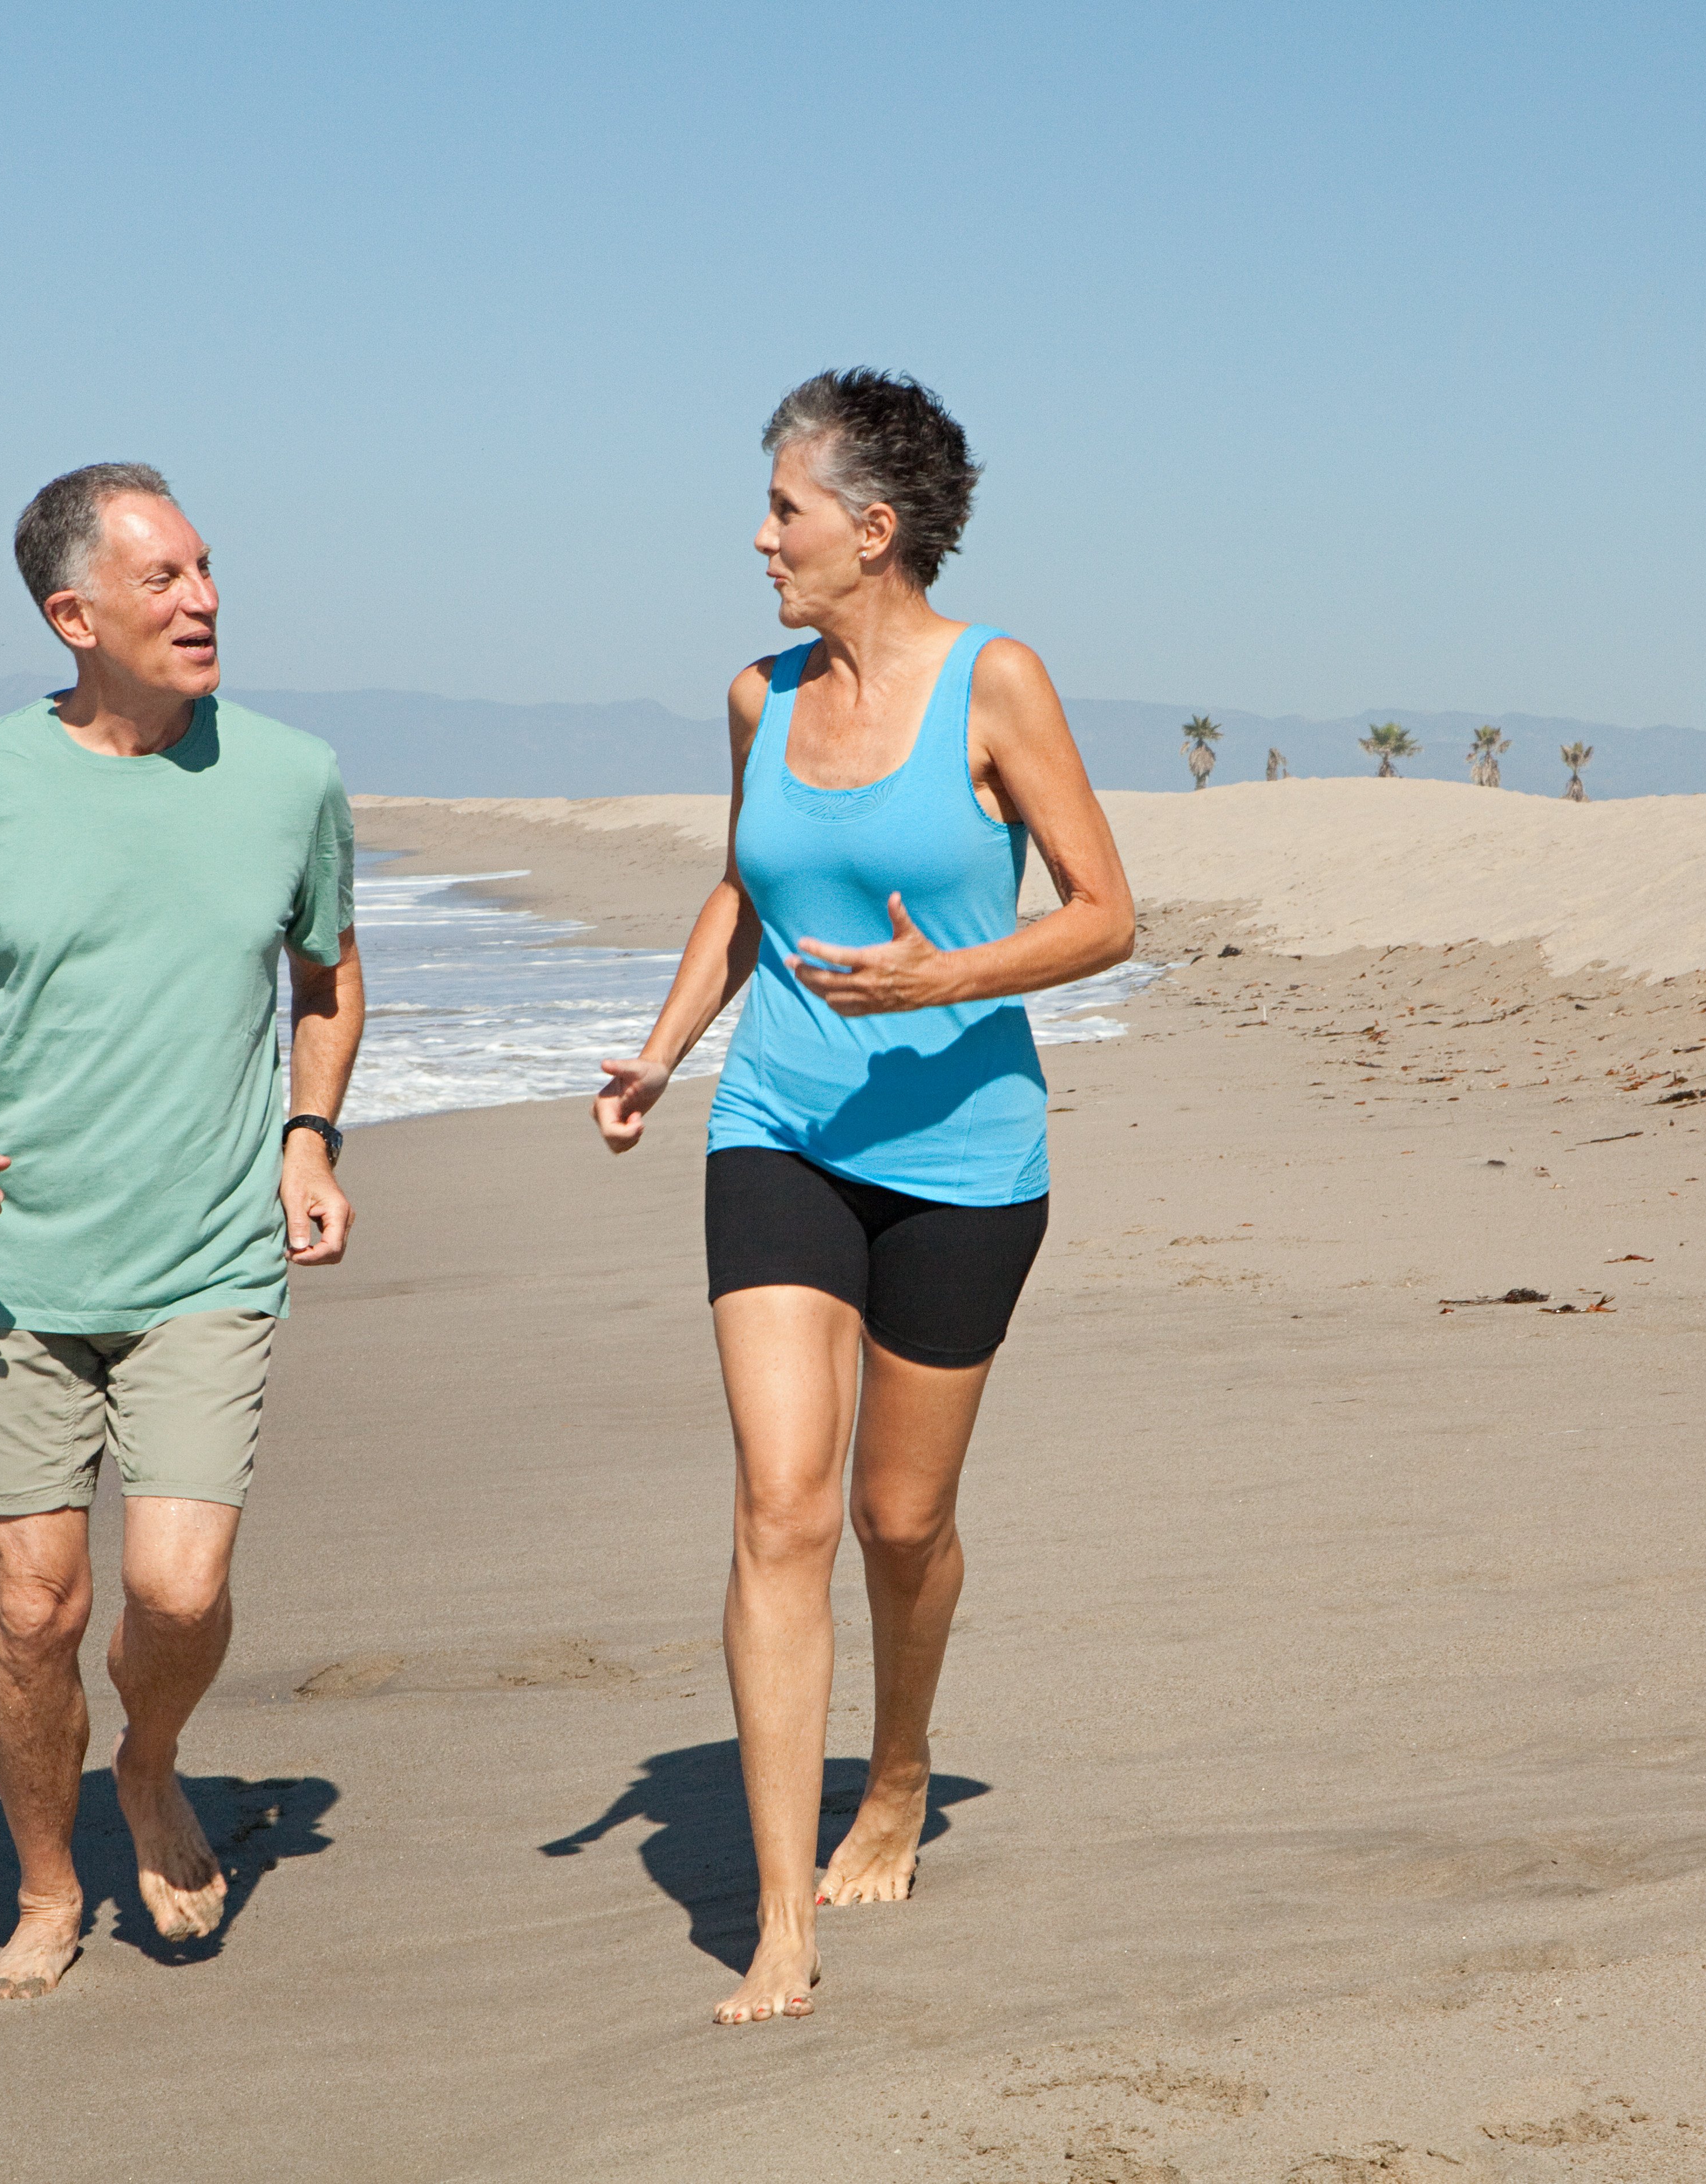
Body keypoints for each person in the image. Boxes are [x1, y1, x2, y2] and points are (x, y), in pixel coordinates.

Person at [593, 372, 1135, 2025]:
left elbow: (1106, 914)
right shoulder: (759, 698)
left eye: (784, 510)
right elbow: (738, 892)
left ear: (871, 529)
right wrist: (660, 1053)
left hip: (964, 1158)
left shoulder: (997, 682)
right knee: (781, 1504)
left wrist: (947, 977)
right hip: (778, 1128)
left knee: (899, 1525)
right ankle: (777, 1921)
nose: (760, 539)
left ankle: (895, 1774)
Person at [0, 462, 362, 2001]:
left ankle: (152, 1764)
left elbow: (325, 978)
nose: (200, 602)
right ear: (74, 616)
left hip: (207, 1254)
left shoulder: (290, 777)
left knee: (178, 1594)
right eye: (161, 582)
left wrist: (308, 1139)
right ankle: (51, 1888)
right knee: (33, 1607)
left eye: (204, 572)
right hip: (12, 1268)